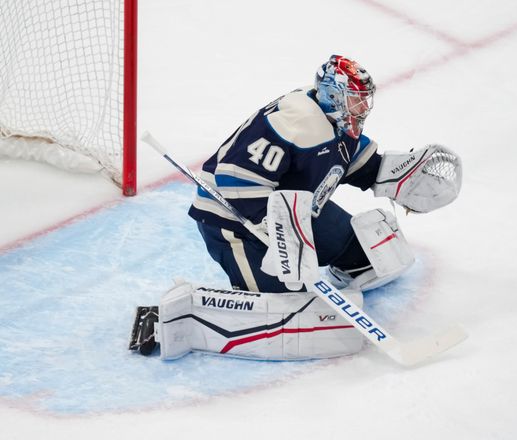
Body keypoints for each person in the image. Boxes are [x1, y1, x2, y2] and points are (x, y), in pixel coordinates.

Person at [129, 55, 462, 360]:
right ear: (334, 95)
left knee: (372, 256)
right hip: (234, 224)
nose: (362, 107)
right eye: (355, 99)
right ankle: (180, 316)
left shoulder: (337, 120)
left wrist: (392, 176)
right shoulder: (294, 121)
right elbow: (235, 180)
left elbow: (351, 162)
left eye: (365, 99)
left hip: (296, 211)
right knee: (287, 308)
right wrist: (279, 235)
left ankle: (303, 263)